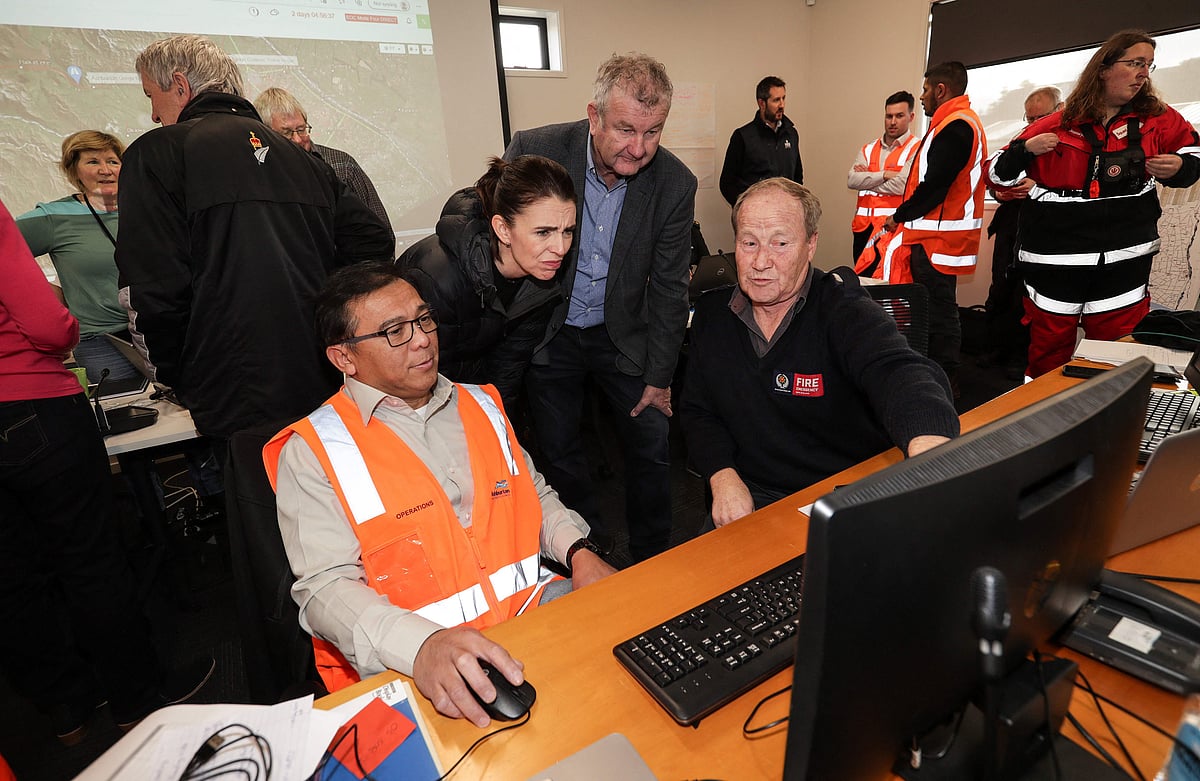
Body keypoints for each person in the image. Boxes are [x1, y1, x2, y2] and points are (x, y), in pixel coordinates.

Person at [264, 261, 616, 726]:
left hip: (530, 615)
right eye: (394, 331)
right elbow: (325, 588)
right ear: (344, 359)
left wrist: (578, 550)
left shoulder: (481, 404)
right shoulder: (313, 452)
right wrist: (423, 647)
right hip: (410, 658)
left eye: (424, 319)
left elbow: (534, 495)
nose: (422, 339)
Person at [116, 34, 394, 454]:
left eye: (151, 96)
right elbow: (371, 242)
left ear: (179, 85)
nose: (154, 114)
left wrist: (176, 375)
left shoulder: (157, 154)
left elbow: (152, 283)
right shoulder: (302, 157)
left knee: (264, 508)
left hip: (234, 386)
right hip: (321, 372)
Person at [0, 197, 213, 744]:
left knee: (12, 577)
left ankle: (66, 710)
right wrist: (66, 323)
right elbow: (48, 326)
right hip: (29, 403)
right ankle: (136, 700)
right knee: (90, 559)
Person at [501, 53, 697, 562]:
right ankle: (587, 545)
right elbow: (496, 228)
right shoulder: (537, 149)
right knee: (560, 449)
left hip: (624, 335)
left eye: (653, 132)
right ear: (594, 116)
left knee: (652, 444)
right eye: (626, 129)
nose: (639, 148)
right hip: (552, 328)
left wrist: (660, 375)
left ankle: (654, 554)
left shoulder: (675, 184)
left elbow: (671, 287)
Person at [681, 179, 959, 528]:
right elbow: (698, 410)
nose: (761, 261)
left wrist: (929, 442)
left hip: (838, 494)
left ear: (811, 245)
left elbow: (901, 374)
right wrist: (722, 476)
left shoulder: (846, 312)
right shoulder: (713, 315)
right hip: (752, 490)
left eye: (780, 243)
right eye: (749, 243)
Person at [987, 30, 1200, 379]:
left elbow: (1194, 152)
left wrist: (1183, 166)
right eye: (1134, 63)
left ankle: (1110, 423)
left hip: (1124, 267)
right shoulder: (1055, 125)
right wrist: (1024, 151)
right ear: (1103, 69)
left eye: (1148, 65)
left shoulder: (1159, 119)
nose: (1143, 72)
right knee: (1048, 356)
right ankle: (1042, 423)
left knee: (1115, 357)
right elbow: (996, 176)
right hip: (1057, 266)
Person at [397, 155, 575, 411]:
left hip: (471, 399)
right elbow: (410, 382)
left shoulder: (541, 280)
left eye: (568, 231)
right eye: (543, 232)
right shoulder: (437, 280)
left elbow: (507, 371)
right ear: (503, 229)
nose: (560, 248)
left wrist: (498, 430)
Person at [883, 61, 987, 395]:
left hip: (939, 239)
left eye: (926, 90)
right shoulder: (952, 123)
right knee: (933, 308)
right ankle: (933, 372)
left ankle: (944, 378)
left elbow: (935, 186)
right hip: (935, 237)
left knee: (938, 312)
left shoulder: (956, 126)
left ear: (941, 89)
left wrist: (899, 215)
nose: (923, 97)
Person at [15, 131, 138, 384]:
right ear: (74, 171)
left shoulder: (147, 207)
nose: (106, 170)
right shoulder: (54, 217)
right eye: (93, 162)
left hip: (161, 332)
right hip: (105, 343)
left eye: (113, 161)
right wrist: (45, 295)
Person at [979, 86, 1063, 376]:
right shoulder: (1021, 141)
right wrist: (1001, 193)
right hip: (1010, 225)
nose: (1034, 124)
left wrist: (1038, 190)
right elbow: (993, 176)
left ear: (1058, 110)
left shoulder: (1071, 144)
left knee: (1031, 296)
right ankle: (995, 350)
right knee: (1001, 288)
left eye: (1041, 117)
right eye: (1029, 119)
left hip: (1048, 231)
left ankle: (1022, 359)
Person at [253, 87, 394, 234]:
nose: (298, 139)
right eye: (286, 133)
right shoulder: (258, 176)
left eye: (301, 129)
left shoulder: (342, 166)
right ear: (266, 134)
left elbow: (382, 231)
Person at [847, 91, 918, 262]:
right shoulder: (868, 148)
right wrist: (885, 175)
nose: (893, 122)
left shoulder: (916, 148)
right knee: (862, 284)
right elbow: (852, 180)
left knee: (888, 284)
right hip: (863, 229)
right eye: (889, 116)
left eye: (899, 116)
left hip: (893, 227)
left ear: (911, 117)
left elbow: (902, 185)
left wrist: (867, 180)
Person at [719, 76, 803, 206]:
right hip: (754, 215)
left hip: (785, 213)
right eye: (776, 100)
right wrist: (744, 208)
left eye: (783, 98)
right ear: (762, 103)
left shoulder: (791, 134)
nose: (782, 105)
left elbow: (797, 178)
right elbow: (727, 183)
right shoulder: (742, 137)